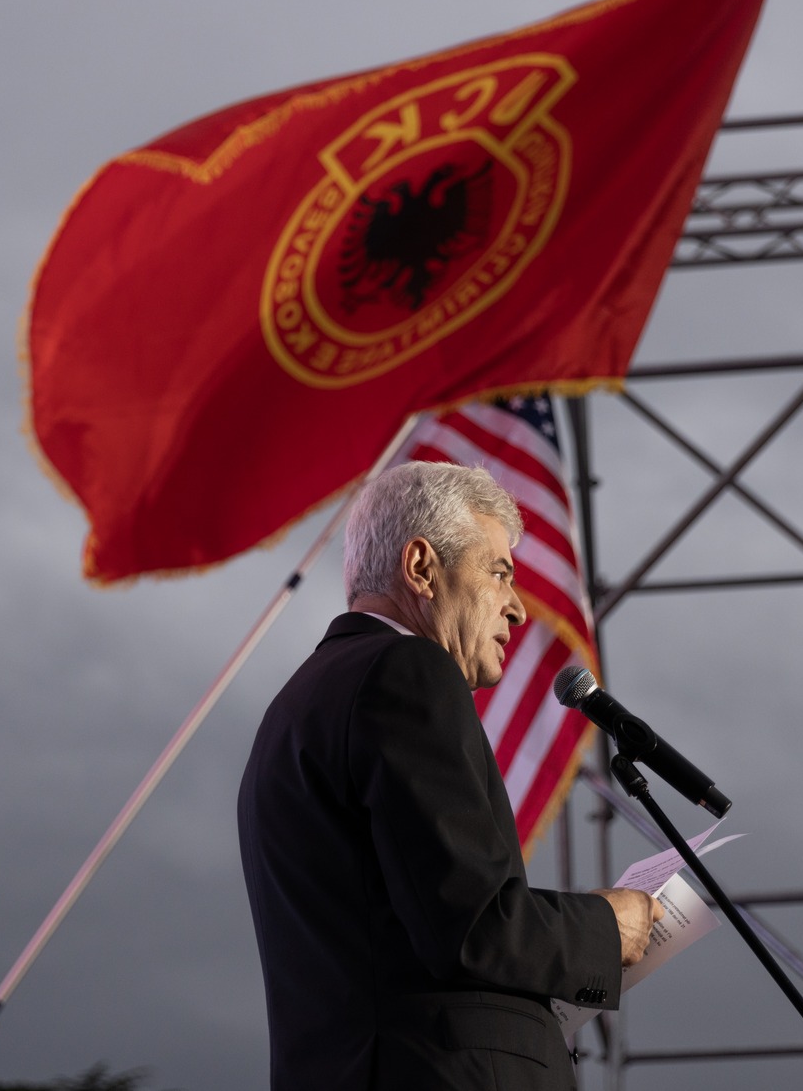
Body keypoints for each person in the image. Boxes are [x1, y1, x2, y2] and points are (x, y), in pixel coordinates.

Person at [238, 461, 662, 1091]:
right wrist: (609, 927)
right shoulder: (406, 670)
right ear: (421, 567)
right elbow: (475, 927)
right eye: (499, 573)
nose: (518, 607)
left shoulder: (294, 707)